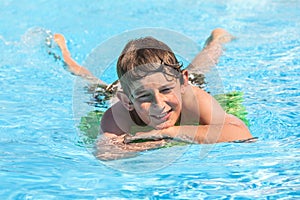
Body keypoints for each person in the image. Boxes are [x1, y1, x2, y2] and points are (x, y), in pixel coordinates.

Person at [52, 28, 254, 160]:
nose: (159, 103)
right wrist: (153, 144)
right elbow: (105, 153)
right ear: (127, 100)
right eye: (145, 97)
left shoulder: (194, 98)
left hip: (176, 83)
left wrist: (170, 132)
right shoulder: (118, 115)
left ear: (181, 82)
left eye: (165, 90)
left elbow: (240, 132)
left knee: (201, 68)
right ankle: (63, 53)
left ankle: (217, 39)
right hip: (119, 91)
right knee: (90, 83)